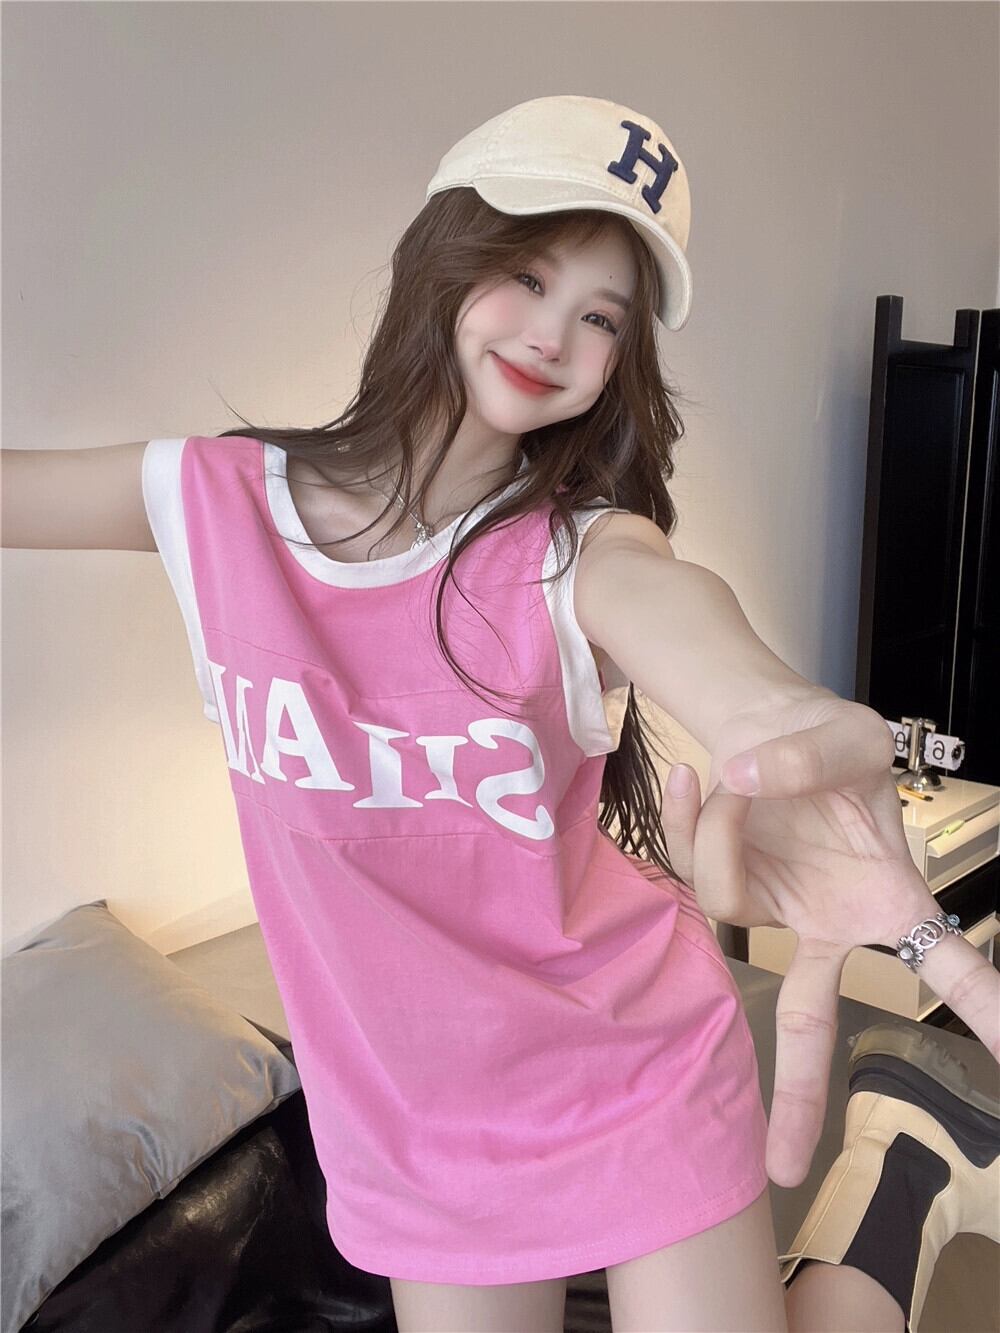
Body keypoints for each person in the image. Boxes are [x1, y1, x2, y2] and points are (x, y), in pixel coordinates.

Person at [3, 93, 997, 1333]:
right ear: (446, 253)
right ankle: (906, 1159)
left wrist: (779, 716)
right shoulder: (215, 501)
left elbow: (684, 619)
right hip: (414, 1128)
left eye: (601, 317)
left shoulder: (581, 551)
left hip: (627, 1059)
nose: (552, 334)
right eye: (527, 275)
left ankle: (896, 1177)